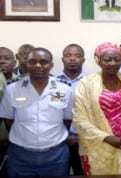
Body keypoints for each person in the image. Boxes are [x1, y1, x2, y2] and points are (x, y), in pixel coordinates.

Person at [73, 42, 121, 175]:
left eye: (117, 59)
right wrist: (107, 138)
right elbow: (79, 119)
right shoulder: (86, 84)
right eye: (107, 60)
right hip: (98, 146)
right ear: (98, 61)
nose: (112, 63)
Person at [0, 47, 73, 177]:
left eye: (43, 62)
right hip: (20, 155)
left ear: (51, 65)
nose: (38, 65)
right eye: (32, 62)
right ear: (26, 64)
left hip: (56, 155)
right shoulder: (12, 88)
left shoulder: (64, 89)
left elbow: (67, 120)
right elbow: (8, 120)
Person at [56, 43, 86, 175]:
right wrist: (65, 135)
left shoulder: (92, 82)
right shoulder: (52, 82)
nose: (72, 59)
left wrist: (82, 136)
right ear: (62, 59)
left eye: (77, 56)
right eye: (68, 55)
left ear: (83, 60)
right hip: (58, 140)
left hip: (85, 140)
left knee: (84, 173)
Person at [0, 47, 18, 177]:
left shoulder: (22, 82)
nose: (2, 61)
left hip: (15, 142)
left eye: (7, 58)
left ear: (14, 62)